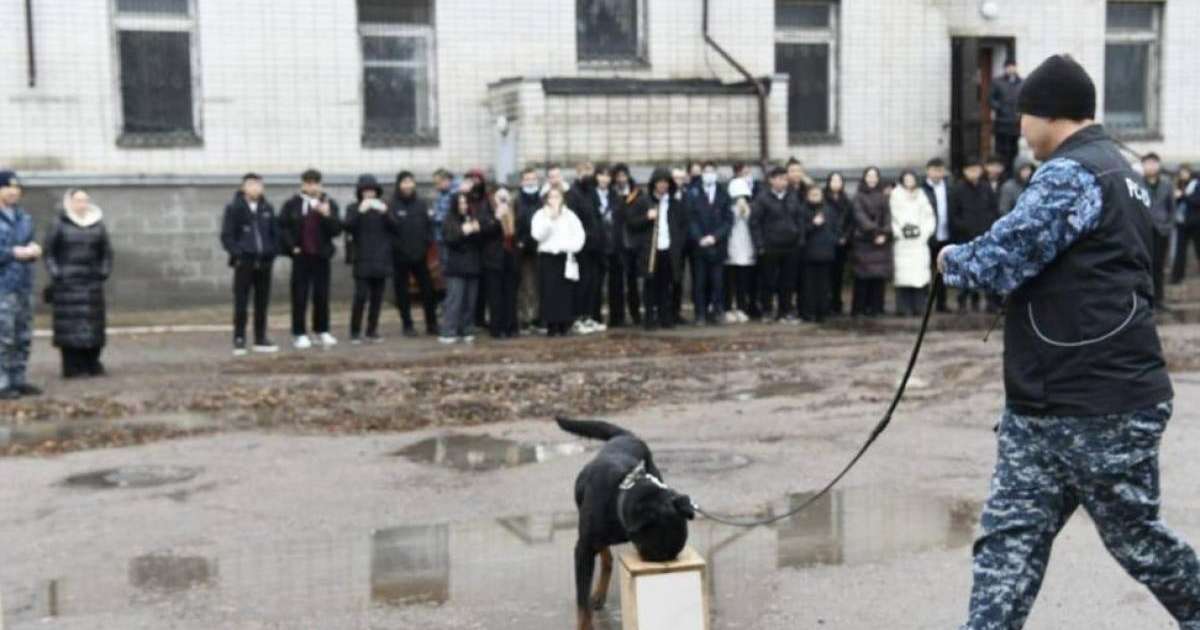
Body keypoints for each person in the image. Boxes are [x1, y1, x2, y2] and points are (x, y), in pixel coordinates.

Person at [939, 54, 1200, 630]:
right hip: (1048, 401)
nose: (1019, 131)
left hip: (1093, 401)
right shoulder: (1122, 171)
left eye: (1021, 117)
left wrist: (950, 259)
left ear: (1046, 115)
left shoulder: (1073, 172)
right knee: (1009, 540)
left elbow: (1000, 258)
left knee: (1135, 539)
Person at [45, 189, 113, 378]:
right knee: (69, 327)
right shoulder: (59, 223)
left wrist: (104, 271)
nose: (81, 204)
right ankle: (73, 367)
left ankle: (92, 363)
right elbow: (49, 251)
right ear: (69, 202)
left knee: (94, 325)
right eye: (77, 200)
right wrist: (57, 274)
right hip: (68, 285)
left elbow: (106, 252)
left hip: (92, 283)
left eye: (84, 200)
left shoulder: (97, 225)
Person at [278, 168, 341, 349]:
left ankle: (322, 330)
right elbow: (282, 227)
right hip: (301, 257)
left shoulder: (328, 203)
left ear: (321, 185)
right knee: (299, 295)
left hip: (321, 256)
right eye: (308, 183)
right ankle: (299, 333)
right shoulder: (292, 204)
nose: (312, 186)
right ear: (303, 184)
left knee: (321, 294)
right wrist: (292, 247)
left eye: (316, 183)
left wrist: (327, 215)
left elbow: (337, 230)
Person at [220, 173, 279, 355]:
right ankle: (239, 338)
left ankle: (260, 338)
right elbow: (227, 236)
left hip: (264, 262)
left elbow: (274, 234)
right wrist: (238, 253)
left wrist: (272, 251)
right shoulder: (234, 208)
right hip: (244, 262)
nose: (255, 188)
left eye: (258, 185)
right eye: (251, 184)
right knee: (241, 301)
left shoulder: (267, 208)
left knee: (262, 302)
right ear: (243, 188)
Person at [628, 168, 688, 330]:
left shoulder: (675, 204)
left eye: (665, 183)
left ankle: (665, 317)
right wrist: (647, 217)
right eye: (659, 182)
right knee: (650, 285)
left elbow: (682, 226)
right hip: (650, 251)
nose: (662, 186)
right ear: (654, 184)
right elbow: (632, 223)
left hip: (668, 250)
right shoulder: (644, 201)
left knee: (666, 285)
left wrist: (678, 243)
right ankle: (649, 318)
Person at [0, 170, 41, 399]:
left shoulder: (23, 217)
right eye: (8, 187)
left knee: (22, 334)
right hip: (2, 286)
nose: (14, 192)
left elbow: (28, 242)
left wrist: (34, 250)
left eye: (17, 188)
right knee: (2, 336)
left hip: (23, 284)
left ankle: (18, 379)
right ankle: (2, 382)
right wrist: (12, 252)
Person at [344, 175, 397, 343]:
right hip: (362, 258)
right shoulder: (353, 208)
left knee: (377, 298)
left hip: (381, 259)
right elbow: (348, 226)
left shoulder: (384, 207)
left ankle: (372, 330)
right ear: (360, 192)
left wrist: (386, 212)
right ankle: (354, 331)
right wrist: (360, 211)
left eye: (372, 191)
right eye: (366, 191)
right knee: (360, 296)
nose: (369, 194)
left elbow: (396, 227)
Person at [751, 167, 804, 322]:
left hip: (791, 245)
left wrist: (800, 238)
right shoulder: (762, 198)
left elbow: (800, 218)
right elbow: (755, 223)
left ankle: (785, 310)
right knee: (768, 280)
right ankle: (767, 310)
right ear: (771, 180)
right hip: (770, 246)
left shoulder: (793, 196)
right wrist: (759, 244)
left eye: (785, 179)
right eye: (779, 178)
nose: (783, 182)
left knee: (788, 281)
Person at [531, 187, 585, 337]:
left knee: (565, 292)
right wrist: (551, 219)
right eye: (551, 197)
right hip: (548, 257)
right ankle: (551, 324)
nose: (554, 200)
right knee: (549, 292)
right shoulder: (540, 215)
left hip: (564, 256)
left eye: (557, 197)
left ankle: (564, 323)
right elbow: (537, 235)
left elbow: (579, 234)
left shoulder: (570, 215)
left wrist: (572, 248)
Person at [389, 171, 437, 337]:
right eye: (404, 182)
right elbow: (389, 230)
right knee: (402, 293)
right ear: (399, 185)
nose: (408, 185)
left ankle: (432, 324)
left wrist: (426, 243)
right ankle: (407, 325)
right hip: (400, 257)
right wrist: (397, 248)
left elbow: (429, 226)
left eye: (410, 181)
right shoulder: (392, 204)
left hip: (420, 255)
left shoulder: (421, 203)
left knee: (428, 291)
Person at [440, 192, 493, 344]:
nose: (463, 206)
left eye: (465, 203)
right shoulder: (449, 220)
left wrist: (477, 230)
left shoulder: (473, 218)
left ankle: (466, 329)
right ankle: (449, 330)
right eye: (460, 203)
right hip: (456, 267)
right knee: (454, 301)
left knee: (470, 302)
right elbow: (449, 239)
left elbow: (481, 241)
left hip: (473, 266)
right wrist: (463, 231)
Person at [949, 157, 997, 313]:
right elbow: (953, 215)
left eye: (976, 169)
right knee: (965, 270)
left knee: (985, 269)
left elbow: (993, 209)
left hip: (984, 236)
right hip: (965, 237)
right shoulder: (958, 189)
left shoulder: (986, 187)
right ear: (964, 171)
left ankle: (984, 301)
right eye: (970, 170)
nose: (974, 173)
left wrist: (989, 227)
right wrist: (963, 227)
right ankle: (962, 301)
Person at [688, 162, 732, 325]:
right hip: (699, 246)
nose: (709, 174)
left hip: (718, 244)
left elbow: (728, 220)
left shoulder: (723, 192)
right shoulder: (693, 192)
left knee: (718, 281)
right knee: (700, 281)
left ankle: (718, 310)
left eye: (712, 171)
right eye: (706, 171)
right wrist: (699, 238)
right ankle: (700, 313)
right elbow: (690, 218)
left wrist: (715, 237)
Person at [889, 171, 936, 317]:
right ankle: (903, 308)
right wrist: (899, 231)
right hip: (902, 242)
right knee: (902, 276)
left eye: (912, 179)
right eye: (906, 179)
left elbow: (929, 216)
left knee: (920, 276)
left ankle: (920, 307)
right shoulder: (895, 195)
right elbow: (892, 217)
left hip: (919, 242)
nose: (909, 181)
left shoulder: (921, 195)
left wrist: (923, 232)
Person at [568, 162, 605, 335]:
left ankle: (587, 316)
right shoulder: (573, 193)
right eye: (584, 171)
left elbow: (597, 215)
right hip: (581, 245)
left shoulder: (592, 192)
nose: (587, 175)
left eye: (590, 171)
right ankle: (577, 318)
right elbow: (574, 220)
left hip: (595, 246)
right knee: (581, 283)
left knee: (592, 282)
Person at [851, 167, 892, 317]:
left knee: (878, 278)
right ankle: (859, 309)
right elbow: (859, 216)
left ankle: (877, 308)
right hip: (864, 241)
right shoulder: (858, 196)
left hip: (881, 241)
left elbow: (888, 216)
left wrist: (885, 233)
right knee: (862, 277)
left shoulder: (884, 196)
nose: (872, 179)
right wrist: (875, 232)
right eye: (869, 176)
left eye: (875, 176)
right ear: (864, 178)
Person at [484, 187, 520, 338]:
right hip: (494, 261)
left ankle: (511, 326)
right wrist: (497, 219)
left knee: (510, 295)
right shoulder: (489, 214)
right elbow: (485, 233)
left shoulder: (514, 214)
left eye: (506, 197)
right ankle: (497, 328)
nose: (503, 200)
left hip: (510, 259)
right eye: (500, 197)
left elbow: (517, 235)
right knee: (495, 296)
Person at [800, 185, 839, 323]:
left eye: (818, 194)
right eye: (813, 194)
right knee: (808, 285)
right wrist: (813, 224)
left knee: (824, 285)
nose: (815, 197)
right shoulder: (803, 210)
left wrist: (833, 241)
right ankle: (808, 312)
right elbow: (801, 231)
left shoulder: (829, 210)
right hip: (809, 253)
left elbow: (835, 228)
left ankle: (823, 311)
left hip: (826, 252)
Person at [593, 165, 626, 328]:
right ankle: (595, 317)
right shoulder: (591, 196)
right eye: (601, 175)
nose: (604, 179)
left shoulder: (615, 196)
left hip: (615, 245)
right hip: (598, 246)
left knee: (616, 285)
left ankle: (617, 318)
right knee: (597, 284)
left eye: (607, 176)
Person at [1140, 154, 1174, 310]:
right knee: (1145, 266)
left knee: (1159, 267)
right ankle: (1146, 300)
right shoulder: (1137, 182)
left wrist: (1168, 225)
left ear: (1158, 165)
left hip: (1162, 231)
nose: (1151, 166)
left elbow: (1171, 208)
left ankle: (1160, 300)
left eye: (1154, 163)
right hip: (1144, 230)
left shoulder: (1167, 184)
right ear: (1143, 165)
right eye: (1147, 163)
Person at [613, 164, 643, 326]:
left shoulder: (636, 193)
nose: (621, 180)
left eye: (623, 176)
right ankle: (618, 316)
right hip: (617, 244)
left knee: (633, 282)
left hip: (633, 243)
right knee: (617, 283)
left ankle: (635, 313)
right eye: (618, 177)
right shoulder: (612, 194)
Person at [922, 158, 953, 313]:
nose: (937, 173)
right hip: (928, 235)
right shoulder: (922, 188)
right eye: (934, 169)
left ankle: (942, 303)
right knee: (925, 270)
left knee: (942, 271)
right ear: (927, 170)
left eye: (940, 170)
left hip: (945, 234)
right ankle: (926, 303)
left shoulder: (949, 187)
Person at [514, 167, 543, 330]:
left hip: (540, 247)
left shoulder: (542, 199)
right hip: (524, 248)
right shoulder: (517, 200)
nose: (530, 182)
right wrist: (521, 241)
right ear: (522, 181)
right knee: (525, 284)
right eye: (527, 179)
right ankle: (525, 317)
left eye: (533, 179)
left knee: (539, 284)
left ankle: (538, 316)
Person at [724, 178, 757, 323]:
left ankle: (742, 308)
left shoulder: (751, 209)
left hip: (746, 248)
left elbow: (753, 223)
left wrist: (745, 211)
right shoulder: (727, 209)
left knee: (743, 282)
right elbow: (728, 223)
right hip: (730, 249)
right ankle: (727, 308)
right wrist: (737, 211)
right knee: (729, 282)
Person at [825, 173, 854, 316]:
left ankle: (837, 302)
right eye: (833, 180)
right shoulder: (824, 200)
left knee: (839, 275)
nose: (836, 183)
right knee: (827, 275)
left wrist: (845, 237)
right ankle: (827, 302)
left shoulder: (847, 201)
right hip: (826, 243)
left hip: (842, 244)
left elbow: (850, 222)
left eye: (838, 180)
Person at [990, 59, 1023, 175]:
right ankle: (1000, 172)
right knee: (1001, 150)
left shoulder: (1022, 82)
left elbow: (1024, 99)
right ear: (1005, 68)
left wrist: (1021, 111)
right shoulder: (997, 82)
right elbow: (991, 99)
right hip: (1001, 122)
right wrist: (1000, 108)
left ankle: (1012, 172)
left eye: (1013, 66)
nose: (1011, 69)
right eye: (1008, 66)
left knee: (1014, 149)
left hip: (1015, 123)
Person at [1171, 165, 1200, 284]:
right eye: (1181, 172)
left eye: (1185, 172)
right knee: (1180, 251)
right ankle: (1177, 277)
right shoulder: (1178, 184)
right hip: (1181, 223)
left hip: (1196, 223)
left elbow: (1197, 201)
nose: (1183, 174)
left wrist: (1182, 195)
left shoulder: (1196, 184)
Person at [431, 168, 456, 269]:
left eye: (437, 183)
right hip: (440, 235)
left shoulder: (454, 193)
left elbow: (450, 215)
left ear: (446, 180)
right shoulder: (443, 192)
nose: (436, 186)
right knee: (442, 263)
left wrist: (434, 216)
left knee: (448, 265)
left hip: (449, 236)